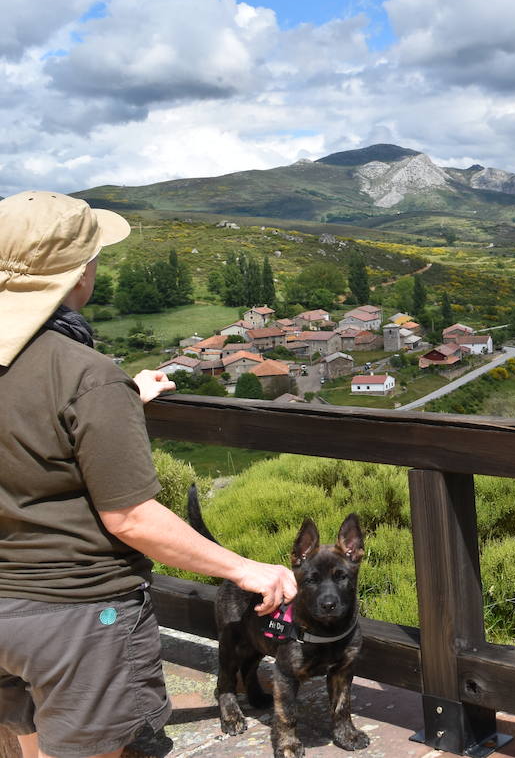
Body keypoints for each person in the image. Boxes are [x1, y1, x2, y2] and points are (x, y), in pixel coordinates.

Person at [0, 192, 297, 758]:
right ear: (79, 273)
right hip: (75, 614)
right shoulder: (84, 375)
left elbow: (27, 429)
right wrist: (246, 569)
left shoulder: (79, 382)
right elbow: (131, 517)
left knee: (26, 738)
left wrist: (121, 402)